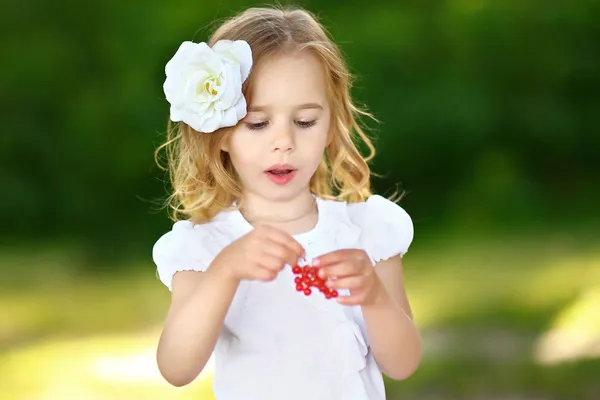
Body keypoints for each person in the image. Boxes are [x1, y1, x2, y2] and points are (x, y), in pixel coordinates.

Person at [151, 6, 421, 400]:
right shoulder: (204, 249)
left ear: (332, 125)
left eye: (306, 121)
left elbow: (404, 365)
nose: (284, 142)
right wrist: (225, 271)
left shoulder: (365, 231)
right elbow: (176, 368)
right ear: (221, 133)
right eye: (258, 124)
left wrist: (375, 297)